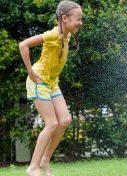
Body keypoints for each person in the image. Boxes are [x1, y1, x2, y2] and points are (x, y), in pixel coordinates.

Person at [19, 1, 82, 175]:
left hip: (52, 82)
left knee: (65, 120)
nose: (80, 22)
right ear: (64, 18)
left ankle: (46, 160)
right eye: (78, 19)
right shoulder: (53, 34)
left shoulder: (66, 35)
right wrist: (31, 72)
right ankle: (33, 167)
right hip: (39, 81)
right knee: (52, 123)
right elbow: (23, 45)